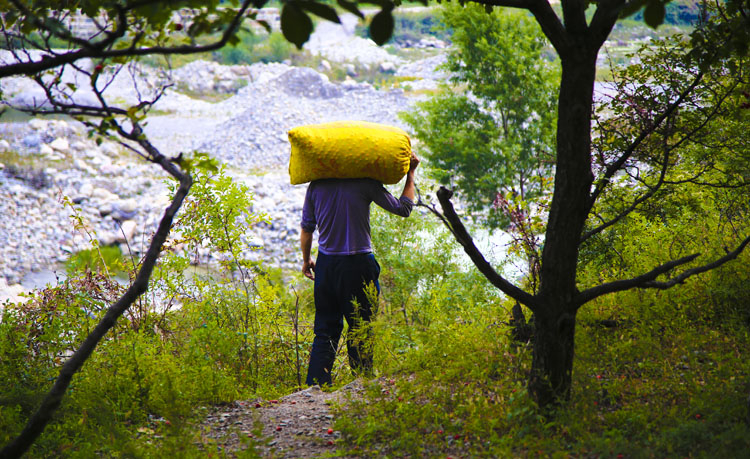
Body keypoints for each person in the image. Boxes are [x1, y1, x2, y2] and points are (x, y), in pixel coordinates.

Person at [300, 153, 420, 386]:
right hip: (359, 266)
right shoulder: (366, 183)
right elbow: (404, 209)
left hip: (327, 265)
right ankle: (361, 385)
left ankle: (316, 386)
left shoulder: (316, 186)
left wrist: (306, 260)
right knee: (361, 327)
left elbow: (307, 229)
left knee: (325, 330)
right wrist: (410, 174)